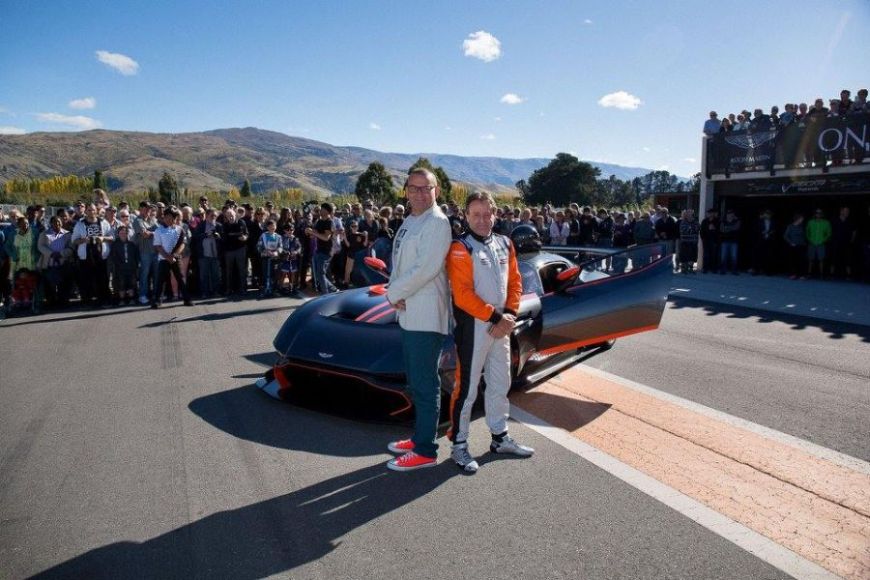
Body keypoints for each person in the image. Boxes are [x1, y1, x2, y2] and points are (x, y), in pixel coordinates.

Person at [444, 191, 534, 473]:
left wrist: (508, 315)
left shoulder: (505, 244)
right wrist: (497, 316)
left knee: (500, 382)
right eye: (476, 215)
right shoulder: (460, 247)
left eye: (487, 214)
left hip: (502, 324)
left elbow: (516, 283)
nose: (482, 220)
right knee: (467, 388)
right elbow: (462, 295)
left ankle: (499, 437)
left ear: (495, 214)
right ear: (466, 216)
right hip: (474, 326)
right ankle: (459, 445)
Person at [385, 168, 452, 472]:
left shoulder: (437, 223)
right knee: (415, 380)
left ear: (436, 190)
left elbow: (426, 268)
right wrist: (396, 293)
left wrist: (393, 293)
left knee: (426, 384)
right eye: (415, 188)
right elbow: (402, 264)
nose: (421, 193)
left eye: (427, 188)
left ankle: (426, 450)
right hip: (409, 311)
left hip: (426, 314)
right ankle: (419, 437)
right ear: (406, 191)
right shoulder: (411, 221)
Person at [71, 203, 113, 308]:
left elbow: (112, 237)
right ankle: (87, 301)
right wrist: (83, 240)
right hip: (86, 256)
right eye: (89, 210)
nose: (91, 212)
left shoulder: (104, 222)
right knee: (86, 280)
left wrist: (103, 238)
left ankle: (103, 300)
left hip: (101, 255)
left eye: (93, 210)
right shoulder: (80, 224)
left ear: (97, 211)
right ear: (86, 211)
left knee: (103, 279)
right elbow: (74, 240)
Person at [151, 207, 192, 308]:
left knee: (181, 279)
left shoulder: (180, 229)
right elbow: (158, 246)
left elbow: (182, 244)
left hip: (175, 258)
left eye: (171, 218)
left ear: (175, 218)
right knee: (160, 281)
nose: (169, 220)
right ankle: (157, 301)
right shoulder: (158, 230)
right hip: (163, 259)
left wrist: (174, 255)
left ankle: (187, 299)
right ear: (164, 217)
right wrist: (167, 256)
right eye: (167, 217)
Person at [37, 215, 73, 309]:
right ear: (51, 223)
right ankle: (50, 301)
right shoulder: (44, 234)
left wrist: (62, 254)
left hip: (63, 262)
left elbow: (71, 247)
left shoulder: (67, 234)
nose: (57, 224)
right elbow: (40, 246)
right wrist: (51, 254)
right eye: (54, 222)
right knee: (49, 283)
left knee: (64, 283)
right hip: (49, 262)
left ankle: (63, 301)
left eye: (59, 222)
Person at [307, 202, 338, 294]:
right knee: (318, 274)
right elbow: (314, 234)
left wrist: (313, 233)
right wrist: (309, 232)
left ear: (327, 211)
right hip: (319, 250)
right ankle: (333, 289)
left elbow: (326, 237)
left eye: (322, 209)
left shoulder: (329, 222)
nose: (320, 210)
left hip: (327, 251)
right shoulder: (319, 221)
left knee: (320, 274)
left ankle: (326, 294)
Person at [193, 208, 223, 298]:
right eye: (211, 215)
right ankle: (204, 293)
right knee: (204, 275)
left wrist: (218, 236)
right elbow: (195, 237)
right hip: (203, 254)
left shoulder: (219, 225)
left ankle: (216, 291)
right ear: (207, 215)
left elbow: (223, 239)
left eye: (215, 215)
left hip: (215, 254)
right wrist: (206, 235)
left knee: (216, 274)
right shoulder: (201, 225)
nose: (213, 217)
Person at [133, 202, 158, 305]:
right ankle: (142, 295)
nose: (148, 210)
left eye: (149, 208)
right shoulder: (137, 220)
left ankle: (156, 293)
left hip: (156, 251)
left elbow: (160, 233)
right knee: (144, 274)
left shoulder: (153, 220)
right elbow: (144, 235)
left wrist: (151, 233)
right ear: (140, 208)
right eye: (146, 208)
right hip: (144, 252)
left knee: (157, 274)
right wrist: (154, 233)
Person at [109, 225, 140, 305]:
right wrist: (118, 265)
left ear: (127, 234)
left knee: (132, 284)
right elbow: (113, 257)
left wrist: (136, 265)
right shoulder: (115, 244)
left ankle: (131, 299)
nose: (123, 234)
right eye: (121, 232)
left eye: (125, 232)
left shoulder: (131, 244)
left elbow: (136, 256)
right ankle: (121, 300)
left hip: (131, 267)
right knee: (121, 284)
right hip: (120, 268)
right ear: (118, 234)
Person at [222, 208, 248, 297]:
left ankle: (243, 289)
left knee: (241, 270)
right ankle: (229, 289)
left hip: (240, 249)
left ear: (235, 215)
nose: (231, 217)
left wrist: (245, 237)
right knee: (228, 271)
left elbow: (246, 233)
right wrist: (234, 236)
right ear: (226, 217)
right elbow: (224, 238)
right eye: (228, 216)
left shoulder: (241, 223)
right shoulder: (225, 225)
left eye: (232, 215)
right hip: (229, 251)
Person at [256, 219, 281, 298]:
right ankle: (265, 289)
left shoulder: (278, 236)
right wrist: (264, 251)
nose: (272, 228)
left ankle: (274, 290)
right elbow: (259, 246)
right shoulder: (263, 235)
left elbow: (280, 247)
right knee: (265, 274)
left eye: (273, 226)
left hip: (275, 258)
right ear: (267, 227)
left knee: (275, 274)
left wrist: (276, 252)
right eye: (270, 226)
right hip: (265, 258)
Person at [806, 209, 831, 279]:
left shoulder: (826, 223)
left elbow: (829, 234)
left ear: (822, 214)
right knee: (810, 259)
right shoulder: (810, 222)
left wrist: (823, 240)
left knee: (821, 259)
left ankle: (821, 274)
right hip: (812, 243)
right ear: (815, 214)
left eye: (820, 213)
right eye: (817, 213)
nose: (818, 214)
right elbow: (807, 231)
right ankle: (809, 274)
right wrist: (809, 239)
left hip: (821, 243)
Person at [783, 213, 807, 280]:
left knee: (802, 261)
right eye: (801, 219)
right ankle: (793, 274)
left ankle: (802, 275)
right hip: (793, 246)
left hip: (801, 246)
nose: (802, 220)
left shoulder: (802, 226)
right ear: (797, 219)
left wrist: (804, 243)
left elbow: (804, 236)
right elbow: (785, 236)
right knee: (793, 261)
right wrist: (791, 243)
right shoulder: (790, 226)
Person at [719, 209, 741, 275]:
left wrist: (727, 228)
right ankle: (723, 270)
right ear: (727, 215)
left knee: (734, 257)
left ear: (733, 214)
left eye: (731, 213)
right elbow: (722, 229)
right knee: (723, 256)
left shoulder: (737, 221)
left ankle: (734, 270)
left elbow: (736, 227)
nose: (730, 215)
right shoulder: (723, 221)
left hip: (734, 241)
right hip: (724, 241)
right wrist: (731, 228)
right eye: (728, 214)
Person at [677, 210, 699, 274]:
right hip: (684, 242)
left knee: (693, 256)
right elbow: (684, 230)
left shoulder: (696, 222)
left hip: (693, 242)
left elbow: (697, 229)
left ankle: (691, 268)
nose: (689, 215)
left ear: (692, 215)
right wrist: (691, 229)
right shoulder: (683, 222)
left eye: (690, 214)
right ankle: (684, 268)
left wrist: (690, 229)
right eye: (687, 214)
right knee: (684, 256)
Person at [699, 208, 720, 273]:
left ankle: (713, 268)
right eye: (709, 213)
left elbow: (720, 231)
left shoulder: (717, 221)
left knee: (714, 255)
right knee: (706, 255)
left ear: (713, 214)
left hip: (714, 240)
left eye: (711, 213)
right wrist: (703, 239)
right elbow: (701, 231)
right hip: (706, 240)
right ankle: (705, 268)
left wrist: (714, 229)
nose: (710, 214)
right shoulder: (704, 221)